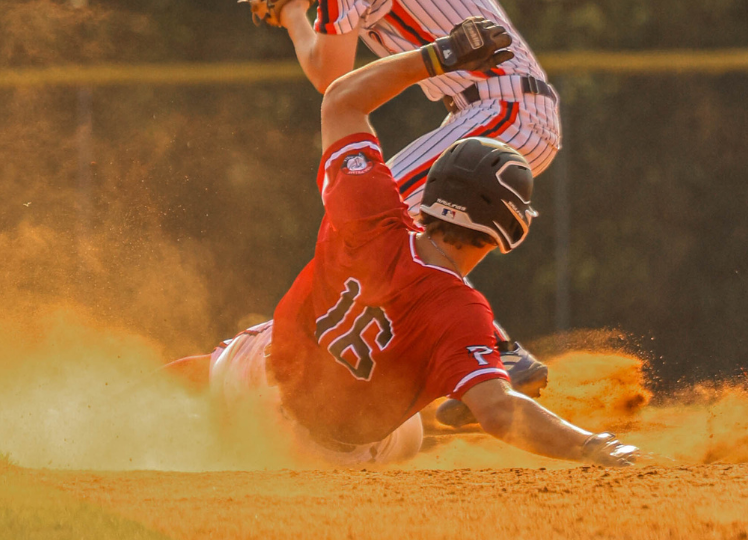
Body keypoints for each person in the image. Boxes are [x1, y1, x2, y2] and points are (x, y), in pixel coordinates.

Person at [200, 17, 638, 467]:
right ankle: (486, 363)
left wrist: (438, 56)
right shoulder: (461, 313)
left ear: (428, 195)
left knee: (207, 369)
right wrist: (595, 446)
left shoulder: (368, 211)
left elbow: (341, 101)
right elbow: (499, 411)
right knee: (407, 430)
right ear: (508, 233)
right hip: (325, 456)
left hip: (257, 394)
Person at [241, 0, 559, 425]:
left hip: (502, 108)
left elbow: (332, 78)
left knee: (366, 209)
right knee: (379, 218)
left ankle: (497, 358)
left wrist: (292, 16)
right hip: (502, 108)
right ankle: (487, 359)